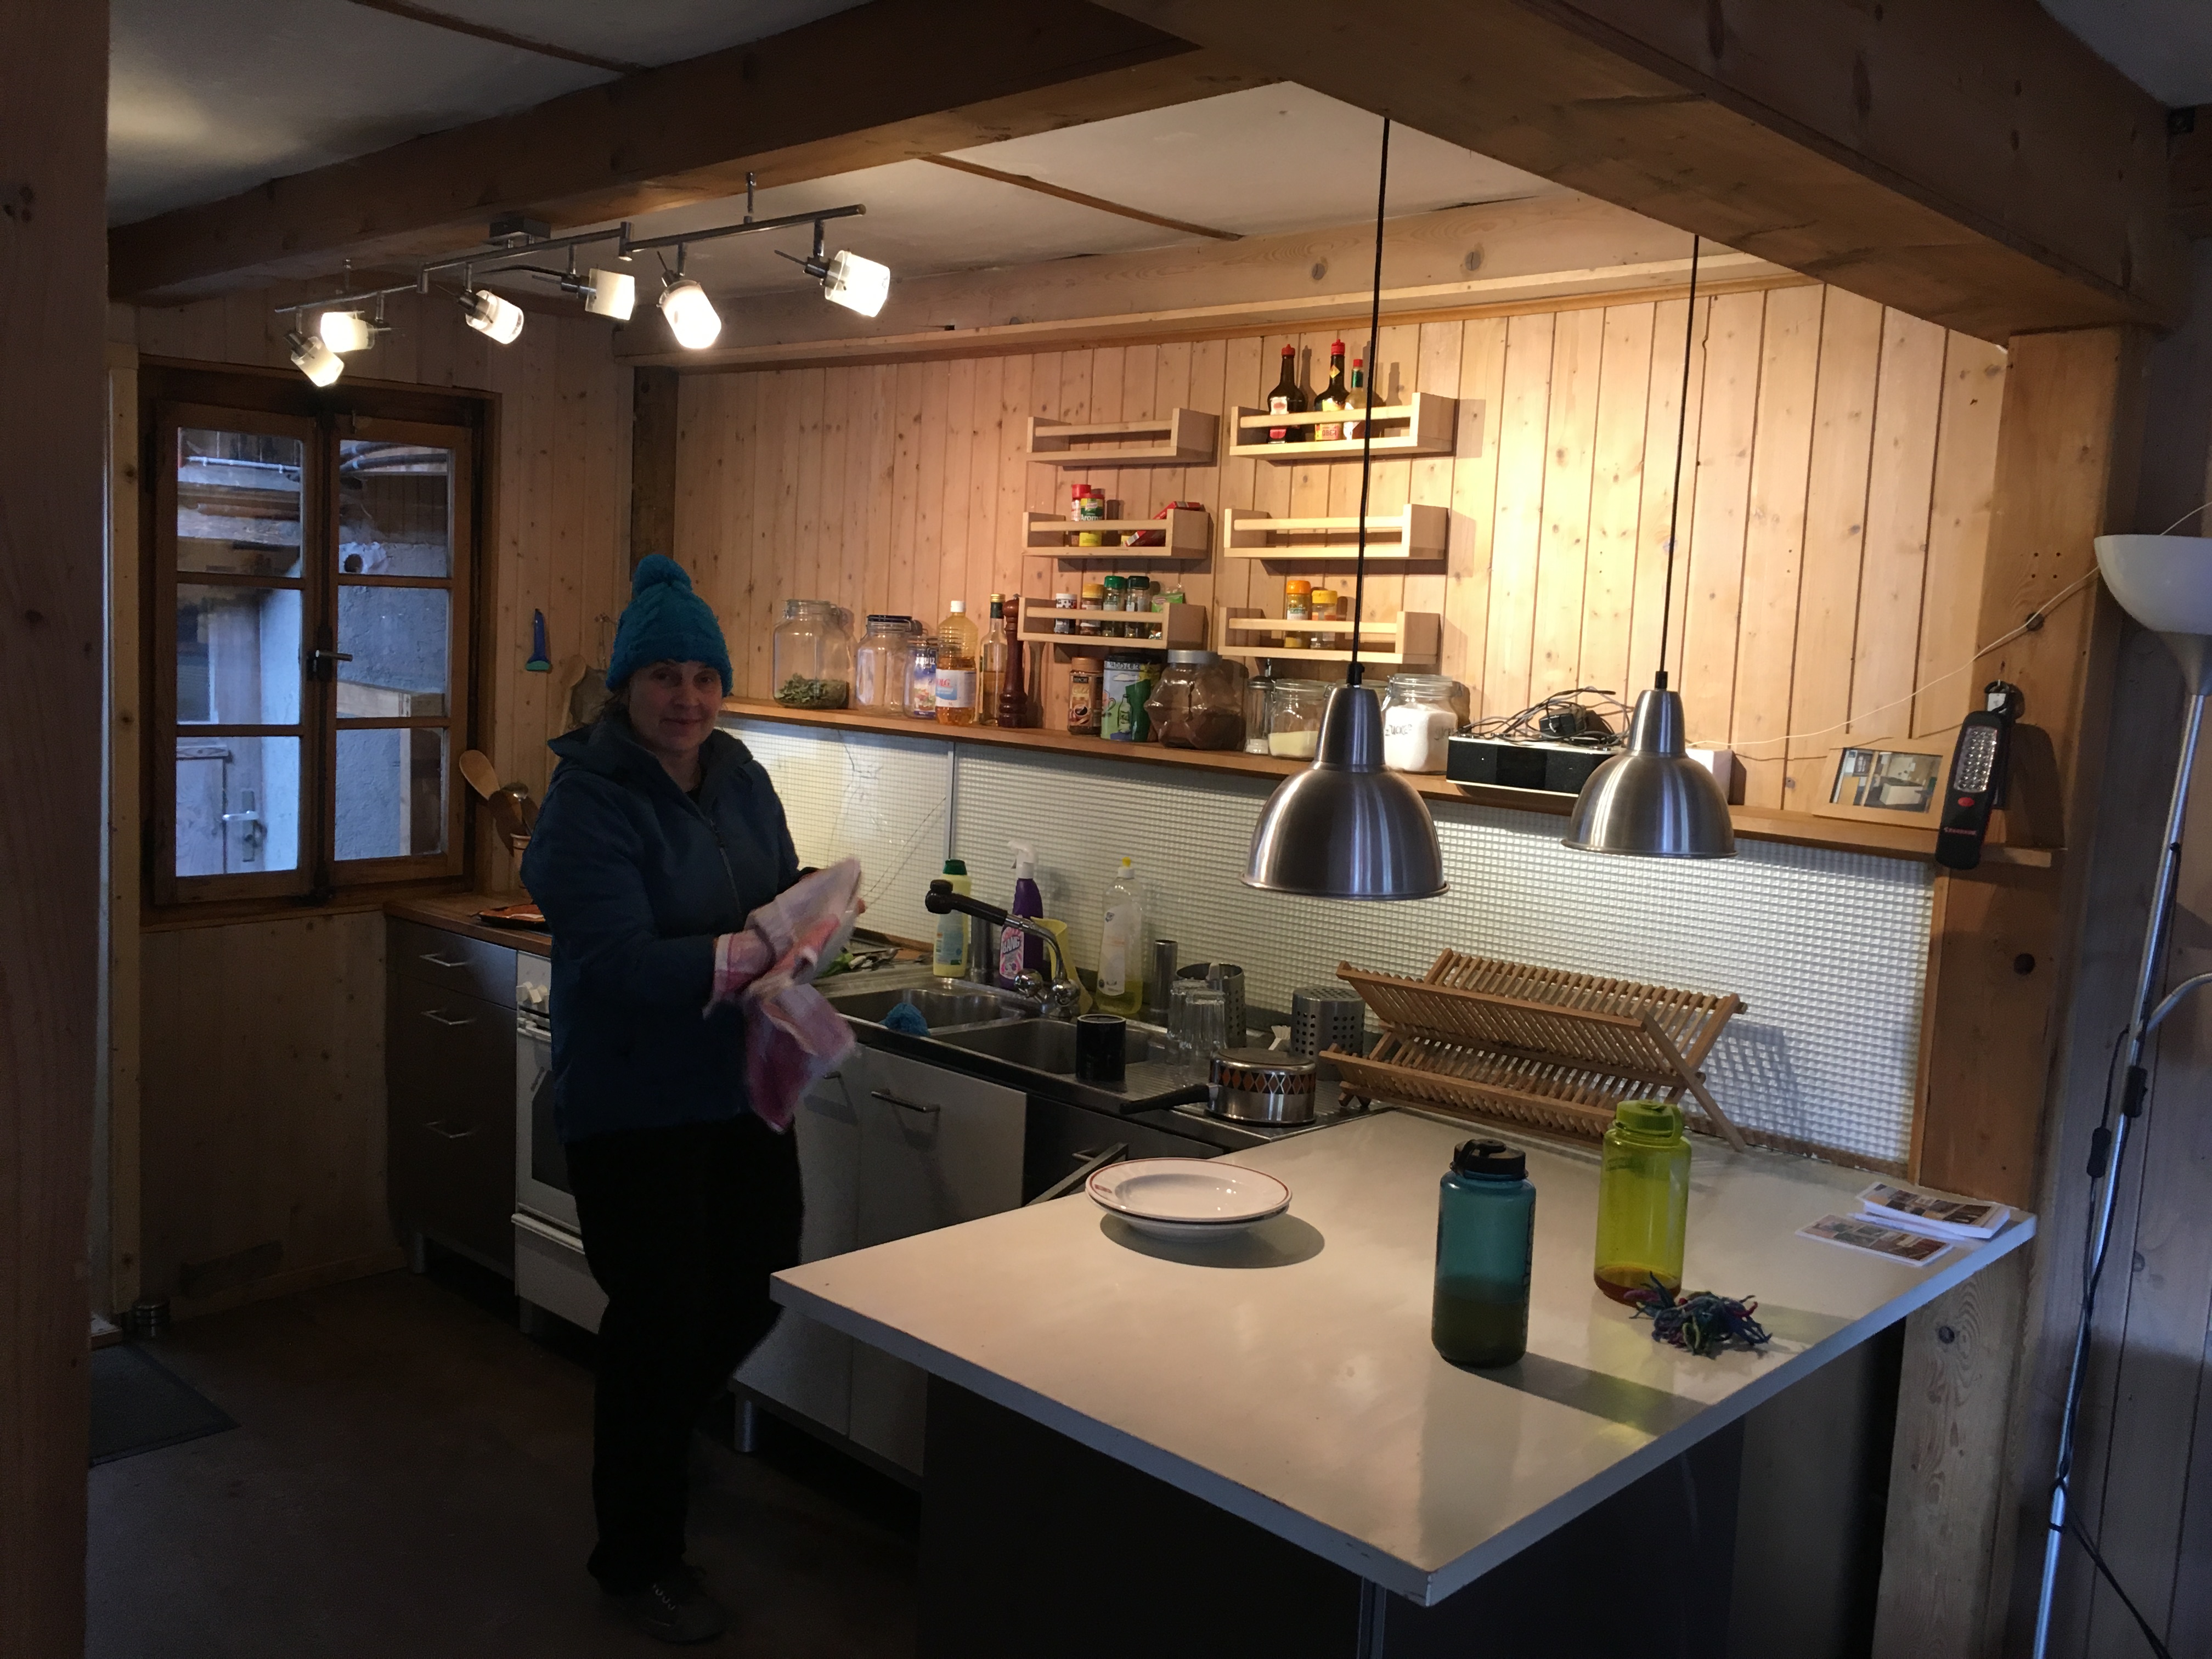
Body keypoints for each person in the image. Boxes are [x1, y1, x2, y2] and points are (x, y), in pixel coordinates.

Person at [521, 555, 803, 1645]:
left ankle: (657, 1437)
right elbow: (622, 963)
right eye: (664, 677)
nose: (687, 698)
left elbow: (778, 890)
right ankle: (637, 1562)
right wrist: (743, 955)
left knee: (761, 1283)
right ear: (625, 687)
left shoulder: (739, 774)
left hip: (740, 1087)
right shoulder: (586, 801)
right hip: (634, 1101)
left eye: (704, 677)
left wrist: (810, 928)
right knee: (658, 1325)